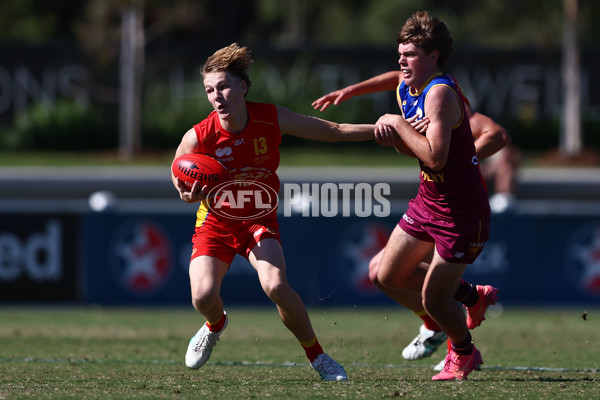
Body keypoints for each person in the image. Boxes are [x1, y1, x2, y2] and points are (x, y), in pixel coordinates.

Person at [172, 43, 377, 382]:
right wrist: (183, 191)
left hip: (257, 219)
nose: (217, 96)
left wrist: (382, 132)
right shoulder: (198, 137)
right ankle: (215, 323)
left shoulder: (270, 117)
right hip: (216, 222)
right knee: (202, 296)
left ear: (243, 87)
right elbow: (177, 170)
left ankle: (318, 357)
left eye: (223, 86)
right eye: (210, 90)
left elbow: (333, 131)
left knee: (277, 286)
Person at [317, 11, 494, 381]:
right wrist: (393, 134)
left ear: (433, 57)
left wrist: (396, 125)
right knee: (383, 273)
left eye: (410, 54)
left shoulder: (440, 95)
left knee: (432, 300)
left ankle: (464, 352)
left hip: (463, 213)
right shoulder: (407, 87)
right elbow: (414, 149)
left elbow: (435, 157)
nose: (402, 60)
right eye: (400, 53)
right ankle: (471, 297)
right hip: (429, 201)